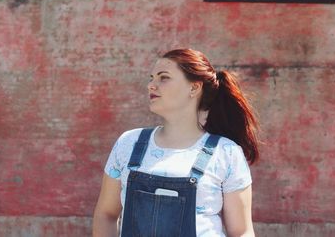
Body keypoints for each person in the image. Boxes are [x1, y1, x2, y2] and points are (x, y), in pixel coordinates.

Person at [93, 48, 260, 237]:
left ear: (194, 88)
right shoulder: (128, 144)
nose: (151, 85)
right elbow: (105, 214)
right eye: (152, 78)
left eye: (163, 78)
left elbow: (242, 231)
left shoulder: (226, 153)